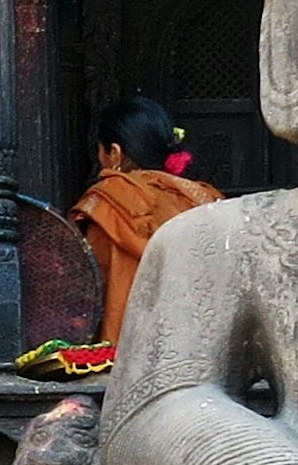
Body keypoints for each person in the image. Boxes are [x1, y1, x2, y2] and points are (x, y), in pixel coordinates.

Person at [70, 94, 223, 344]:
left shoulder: (106, 203)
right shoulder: (205, 199)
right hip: (201, 352)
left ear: (115, 153)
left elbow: (85, 295)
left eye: (100, 150)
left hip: (128, 355)